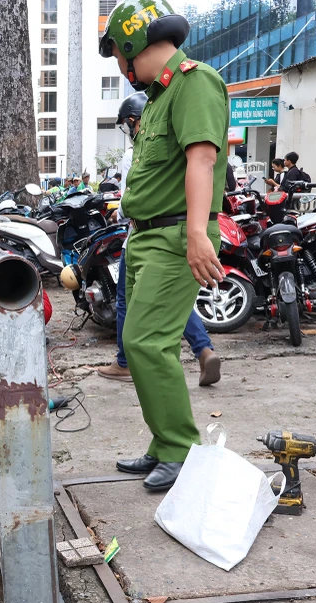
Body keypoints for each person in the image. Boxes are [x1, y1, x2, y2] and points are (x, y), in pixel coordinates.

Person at [99, 0, 228, 491]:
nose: (119, 65)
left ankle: (180, 450)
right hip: (146, 234)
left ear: (132, 44)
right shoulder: (157, 97)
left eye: (117, 54)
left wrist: (196, 233)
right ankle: (163, 443)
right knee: (144, 346)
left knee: (144, 342)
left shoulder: (195, 82)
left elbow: (202, 159)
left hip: (175, 235)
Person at [96, 92, 221, 388]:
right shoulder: (182, 148)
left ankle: (125, 362)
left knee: (127, 300)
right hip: (185, 231)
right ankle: (203, 349)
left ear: (134, 121)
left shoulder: (136, 152)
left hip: (145, 236)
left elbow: (132, 198)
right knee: (173, 299)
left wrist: (119, 213)